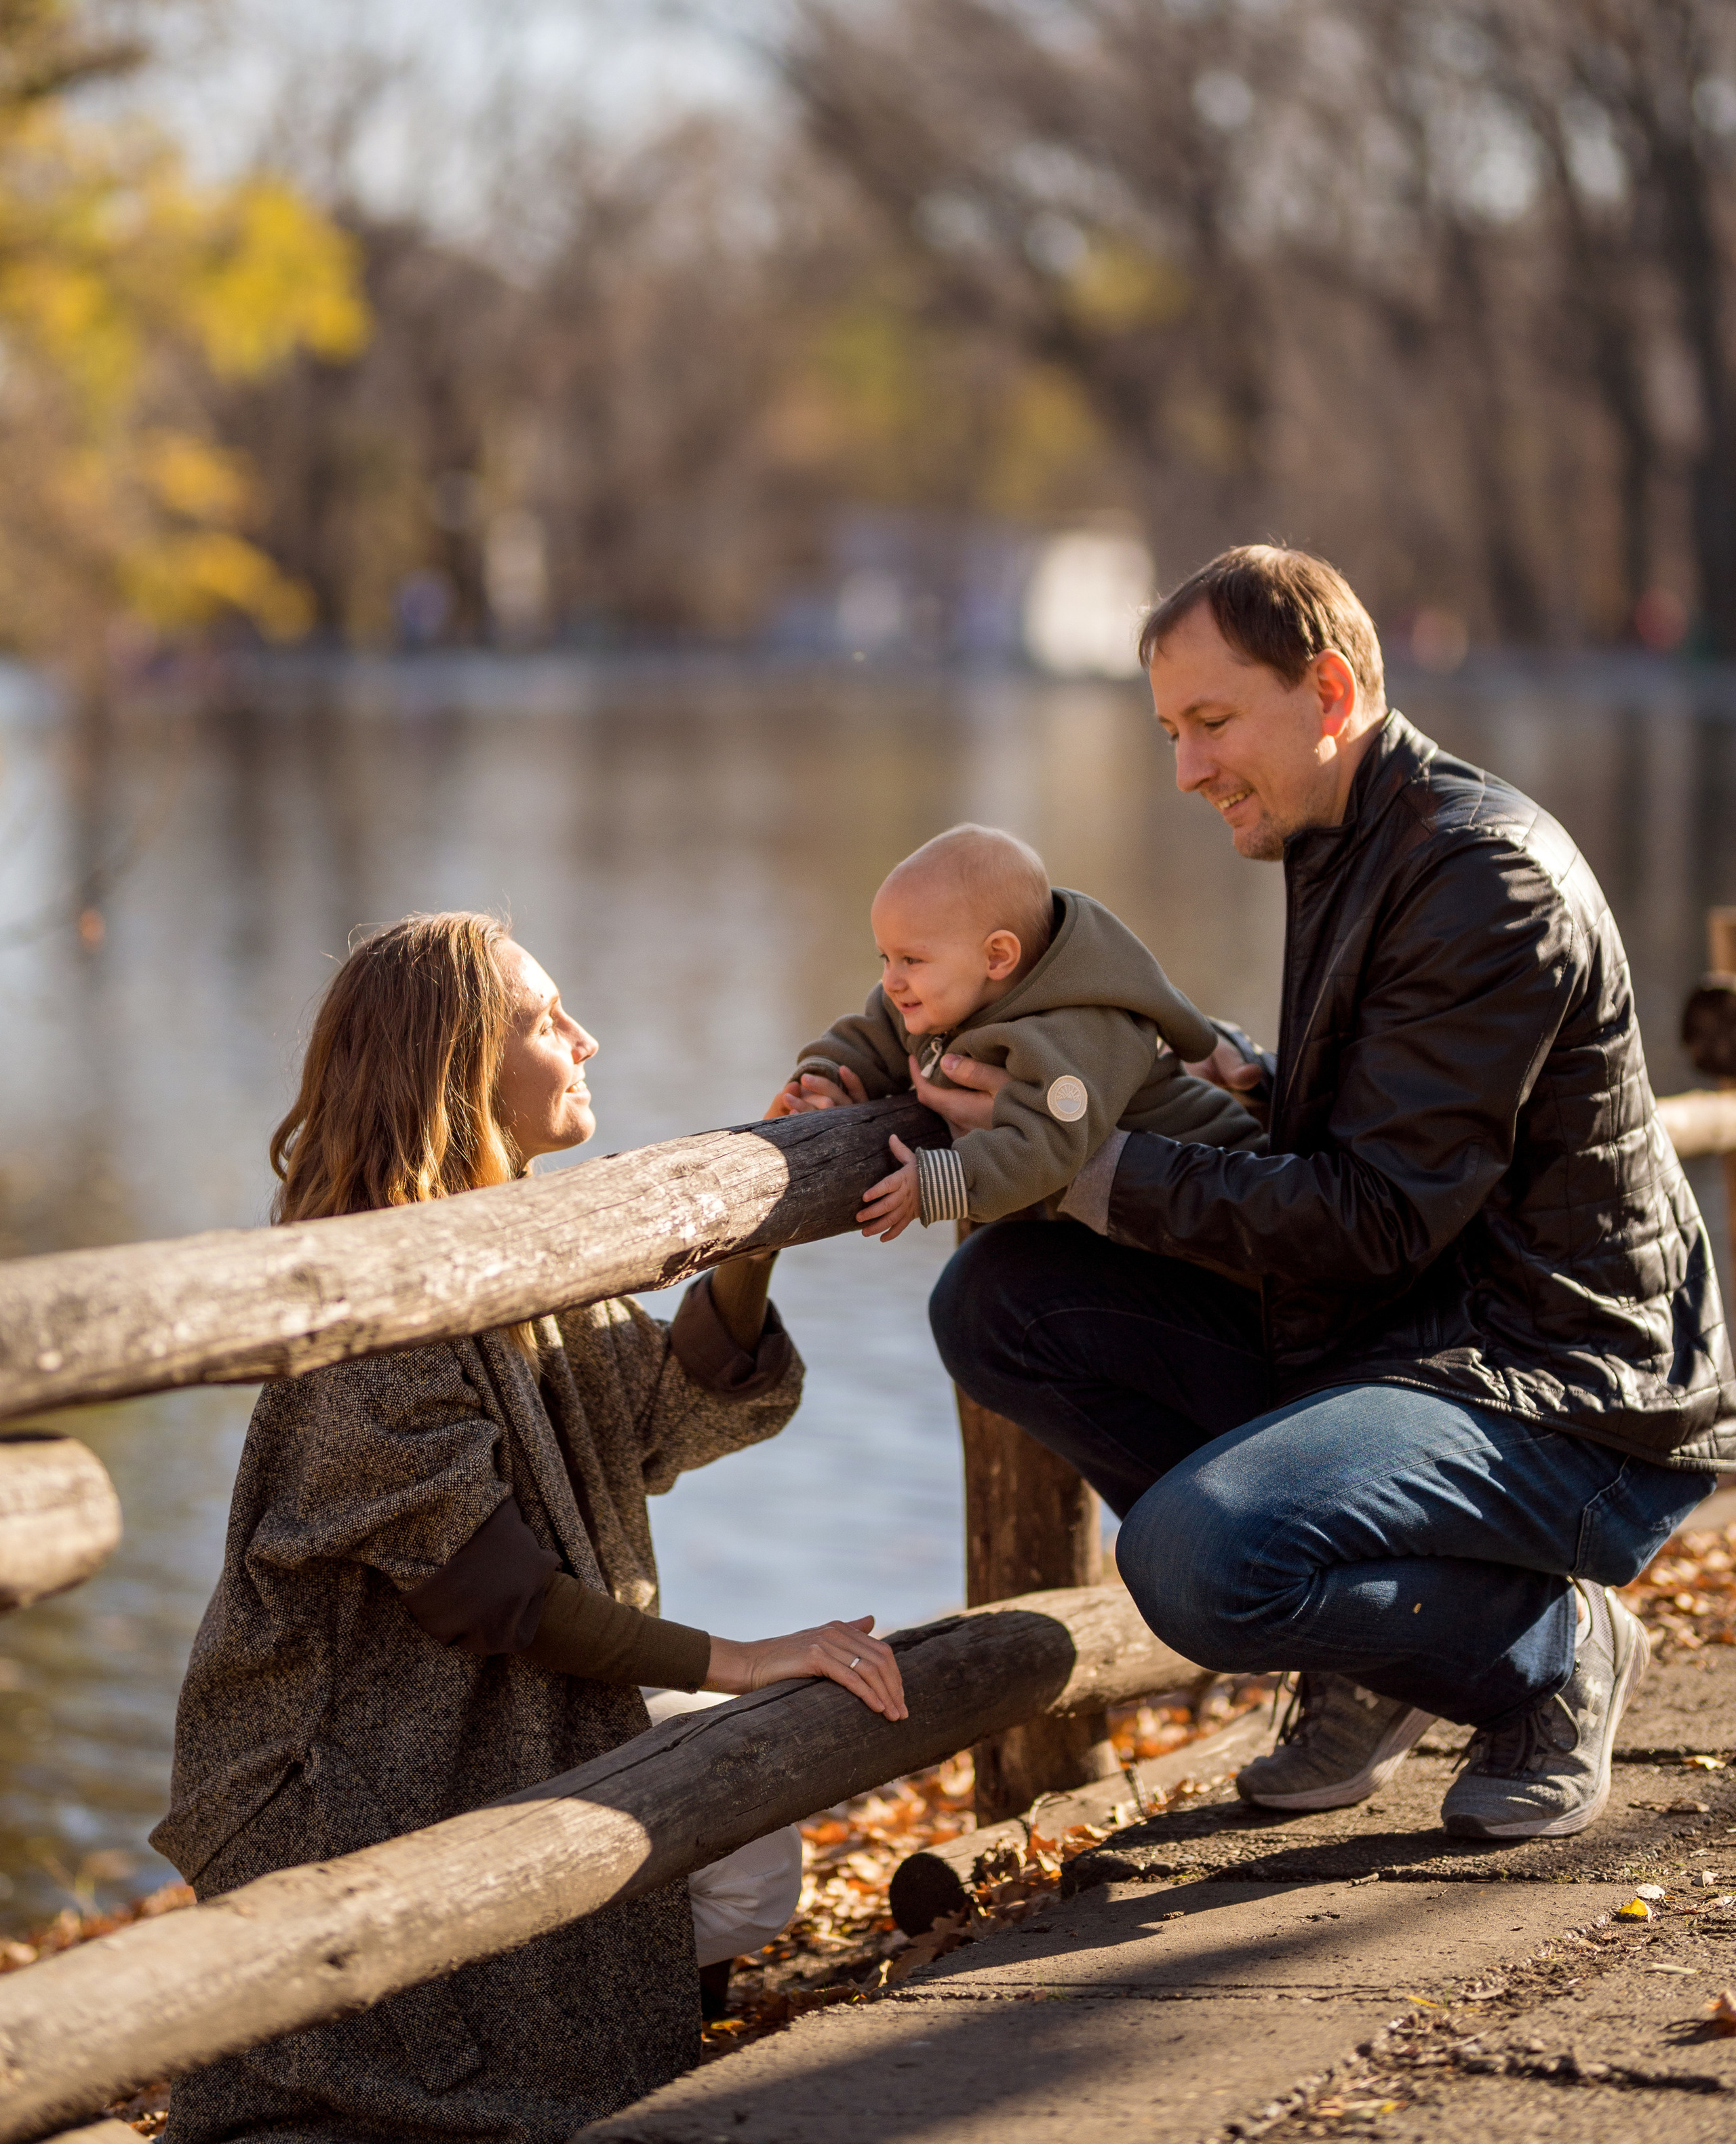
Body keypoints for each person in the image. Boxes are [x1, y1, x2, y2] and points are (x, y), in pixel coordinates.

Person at [911, 546, 1736, 1843]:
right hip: (1418, 1338)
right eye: (1172, 731)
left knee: (1196, 1560)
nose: (1186, 770)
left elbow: (1376, 1216)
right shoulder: (1346, 832)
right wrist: (1234, 1085)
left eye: (1214, 723)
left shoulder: (1485, 880)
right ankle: (1382, 1639)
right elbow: (1403, 1122)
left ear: (1332, 691)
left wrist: (1089, 1164)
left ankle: (1547, 1647)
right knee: (1004, 1302)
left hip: (1566, 1387)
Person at [153, 912, 905, 2144]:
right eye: (548, 1021)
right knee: (718, 1772)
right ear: (456, 1063)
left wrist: (755, 1219)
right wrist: (746, 1657)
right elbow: (494, 1597)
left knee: (750, 1836)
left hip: (521, 1717)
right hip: (358, 1773)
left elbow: (670, 1418)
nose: (588, 1040)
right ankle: (546, 2059)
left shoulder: (527, 1250)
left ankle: (636, 2044)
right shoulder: (370, 1293)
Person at [781, 823, 1261, 1236]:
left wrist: (938, 1183)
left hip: (1221, 1197)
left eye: (912, 959)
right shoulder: (937, 996)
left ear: (997, 957)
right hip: (1116, 1220)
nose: (892, 979)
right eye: (886, 957)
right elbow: (872, 1036)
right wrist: (829, 1079)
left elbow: (1046, 1142)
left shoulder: (1078, 1028)